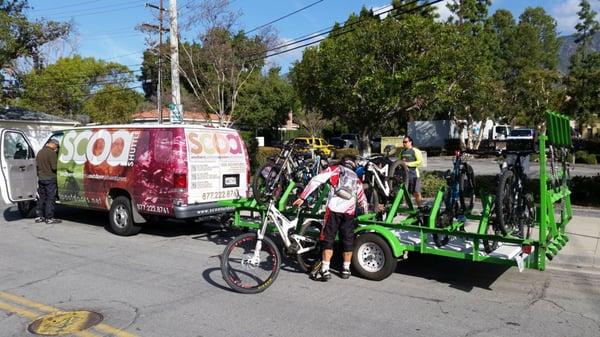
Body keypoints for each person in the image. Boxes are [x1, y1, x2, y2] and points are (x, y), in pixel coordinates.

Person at [292, 156, 368, 281]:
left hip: (333, 210)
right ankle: (346, 269)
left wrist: (303, 196)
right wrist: (366, 214)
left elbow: (316, 180)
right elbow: (362, 199)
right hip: (349, 213)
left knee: (328, 239)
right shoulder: (356, 178)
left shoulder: (335, 169)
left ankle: (325, 269)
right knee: (347, 240)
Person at [35, 138, 62, 224]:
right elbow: (54, 167)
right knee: (50, 198)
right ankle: (49, 218)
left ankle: (39, 216)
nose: (56, 148)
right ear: (53, 144)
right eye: (56, 146)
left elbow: (37, 166)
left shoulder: (40, 152)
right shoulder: (52, 153)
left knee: (42, 198)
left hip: (41, 178)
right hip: (50, 179)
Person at [400, 135, 423, 207]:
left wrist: (408, 164)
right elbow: (399, 162)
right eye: (403, 142)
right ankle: (410, 208)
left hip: (414, 175)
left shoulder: (415, 151)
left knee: (416, 192)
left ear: (410, 142)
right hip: (406, 176)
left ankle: (420, 207)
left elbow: (419, 162)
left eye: (405, 142)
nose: (404, 143)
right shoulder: (402, 152)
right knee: (407, 193)